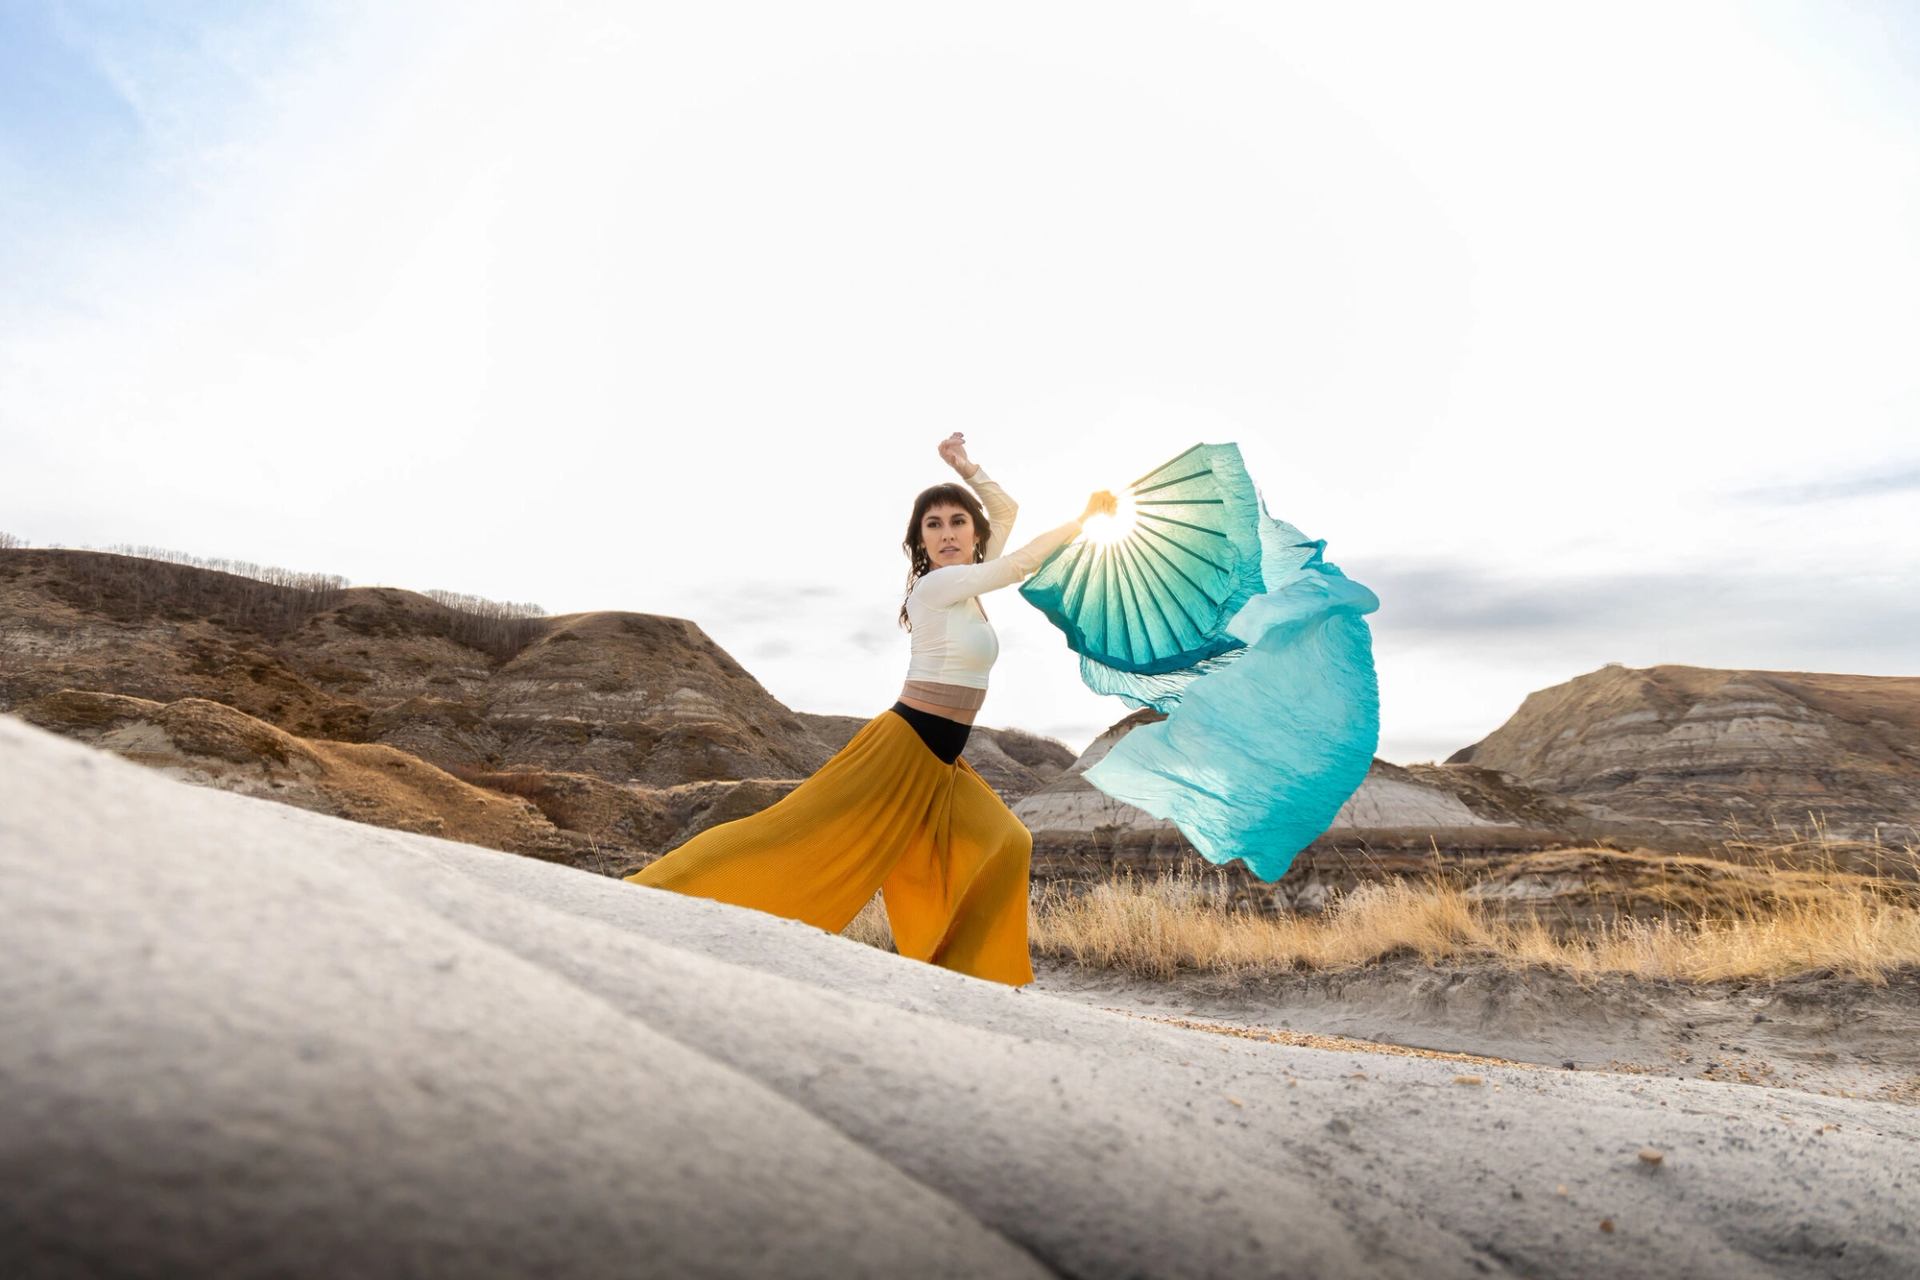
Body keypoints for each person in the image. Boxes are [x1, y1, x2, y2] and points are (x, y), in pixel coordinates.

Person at [625, 434, 1117, 987]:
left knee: (1008, 840)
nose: (948, 533)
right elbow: (1020, 564)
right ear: (920, 542)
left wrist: (966, 467)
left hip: (942, 765)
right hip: (901, 747)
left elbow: (1006, 513)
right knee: (785, 833)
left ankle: (967, 977)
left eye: (958, 521)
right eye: (934, 525)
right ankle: (649, 892)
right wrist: (1083, 522)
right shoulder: (938, 588)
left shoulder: (968, 582)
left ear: (974, 533)